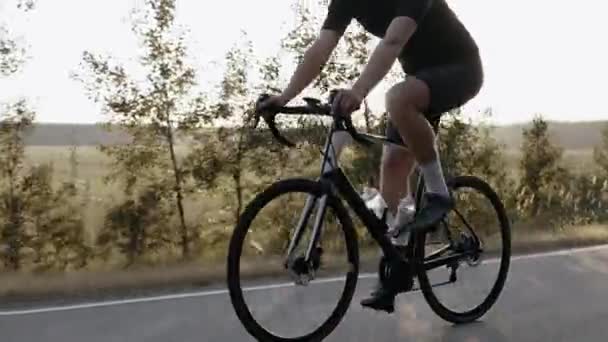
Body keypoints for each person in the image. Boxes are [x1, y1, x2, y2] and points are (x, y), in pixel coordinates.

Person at [257, 0, 483, 313]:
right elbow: (320, 49)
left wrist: (358, 92)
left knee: (396, 97)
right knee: (391, 166)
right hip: (419, 81)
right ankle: (399, 266)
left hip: (461, 69)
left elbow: (393, 41)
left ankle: (438, 193)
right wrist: (283, 97)